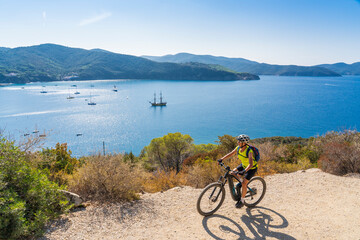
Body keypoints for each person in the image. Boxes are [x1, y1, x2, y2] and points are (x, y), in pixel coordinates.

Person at [217, 134, 258, 208]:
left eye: (239, 141)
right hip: (243, 165)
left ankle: (242, 200)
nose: (237, 142)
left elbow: (251, 164)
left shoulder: (249, 151)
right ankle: (241, 183)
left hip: (251, 168)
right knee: (232, 173)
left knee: (244, 183)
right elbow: (230, 154)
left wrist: (244, 171)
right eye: (238, 141)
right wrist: (222, 159)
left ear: (244, 143)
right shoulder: (238, 148)